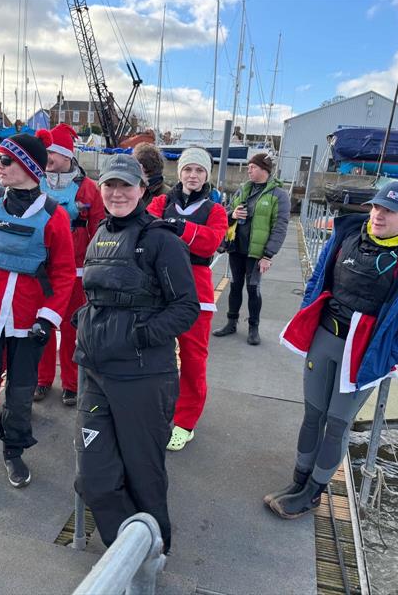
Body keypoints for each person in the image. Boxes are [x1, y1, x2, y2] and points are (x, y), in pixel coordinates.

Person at [267, 181, 398, 518]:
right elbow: (317, 281)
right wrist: (308, 317)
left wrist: (391, 354)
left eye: (389, 211)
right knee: (312, 415)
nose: (378, 215)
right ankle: (298, 481)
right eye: (376, 207)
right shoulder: (346, 233)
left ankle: (314, 492)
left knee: (337, 424)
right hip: (325, 338)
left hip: (363, 354)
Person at [73, 154, 200, 553]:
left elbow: (186, 307)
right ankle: (127, 549)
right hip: (94, 372)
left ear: (143, 190)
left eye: (126, 185)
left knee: (144, 477)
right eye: (109, 185)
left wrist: (138, 335)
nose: (116, 193)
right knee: (93, 477)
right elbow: (97, 297)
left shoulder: (160, 241)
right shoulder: (98, 234)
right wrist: (86, 323)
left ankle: (153, 553)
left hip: (143, 378)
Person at [0, 131, 76, 496]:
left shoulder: (53, 217)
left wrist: (47, 317)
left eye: (5, 161)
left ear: (28, 167)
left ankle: (14, 451)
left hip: (28, 323)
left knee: (20, 397)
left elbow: (64, 273)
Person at [146, 147, 227, 451]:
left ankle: (185, 422)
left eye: (199, 170)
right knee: (156, 352)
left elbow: (210, 243)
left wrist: (178, 228)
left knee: (194, 358)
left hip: (196, 292)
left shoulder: (215, 210)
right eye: (188, 169)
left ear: (207, 175)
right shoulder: (161, 201)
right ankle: (158, 408)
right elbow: (146, 225)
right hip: (159, 288)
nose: (193, 176)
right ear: (179, 172)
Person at [35, 123, 104, 406]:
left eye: (52, 151)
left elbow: (99, 227)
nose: (47, 156)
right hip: (39, 267)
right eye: (45, 151)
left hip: (76, 268)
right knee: (41, 325)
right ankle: (41, 379)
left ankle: (72, 384)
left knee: (72, 327)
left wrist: (95, 265)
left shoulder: (88, 188)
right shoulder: (34, 180)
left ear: (67, 155)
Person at [213, 153, 290, 345]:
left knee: (253, 288)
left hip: (257, 253)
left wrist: (268, 255)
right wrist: (233, 213)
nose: (248, 170)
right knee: (235, 285)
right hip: (236, 247)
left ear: (264, 169)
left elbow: (280, 226)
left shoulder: (279, 195)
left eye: (252, 167)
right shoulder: (243, 190)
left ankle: (253, 328)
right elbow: (226, 214)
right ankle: (231, 322)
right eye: (248, 167)